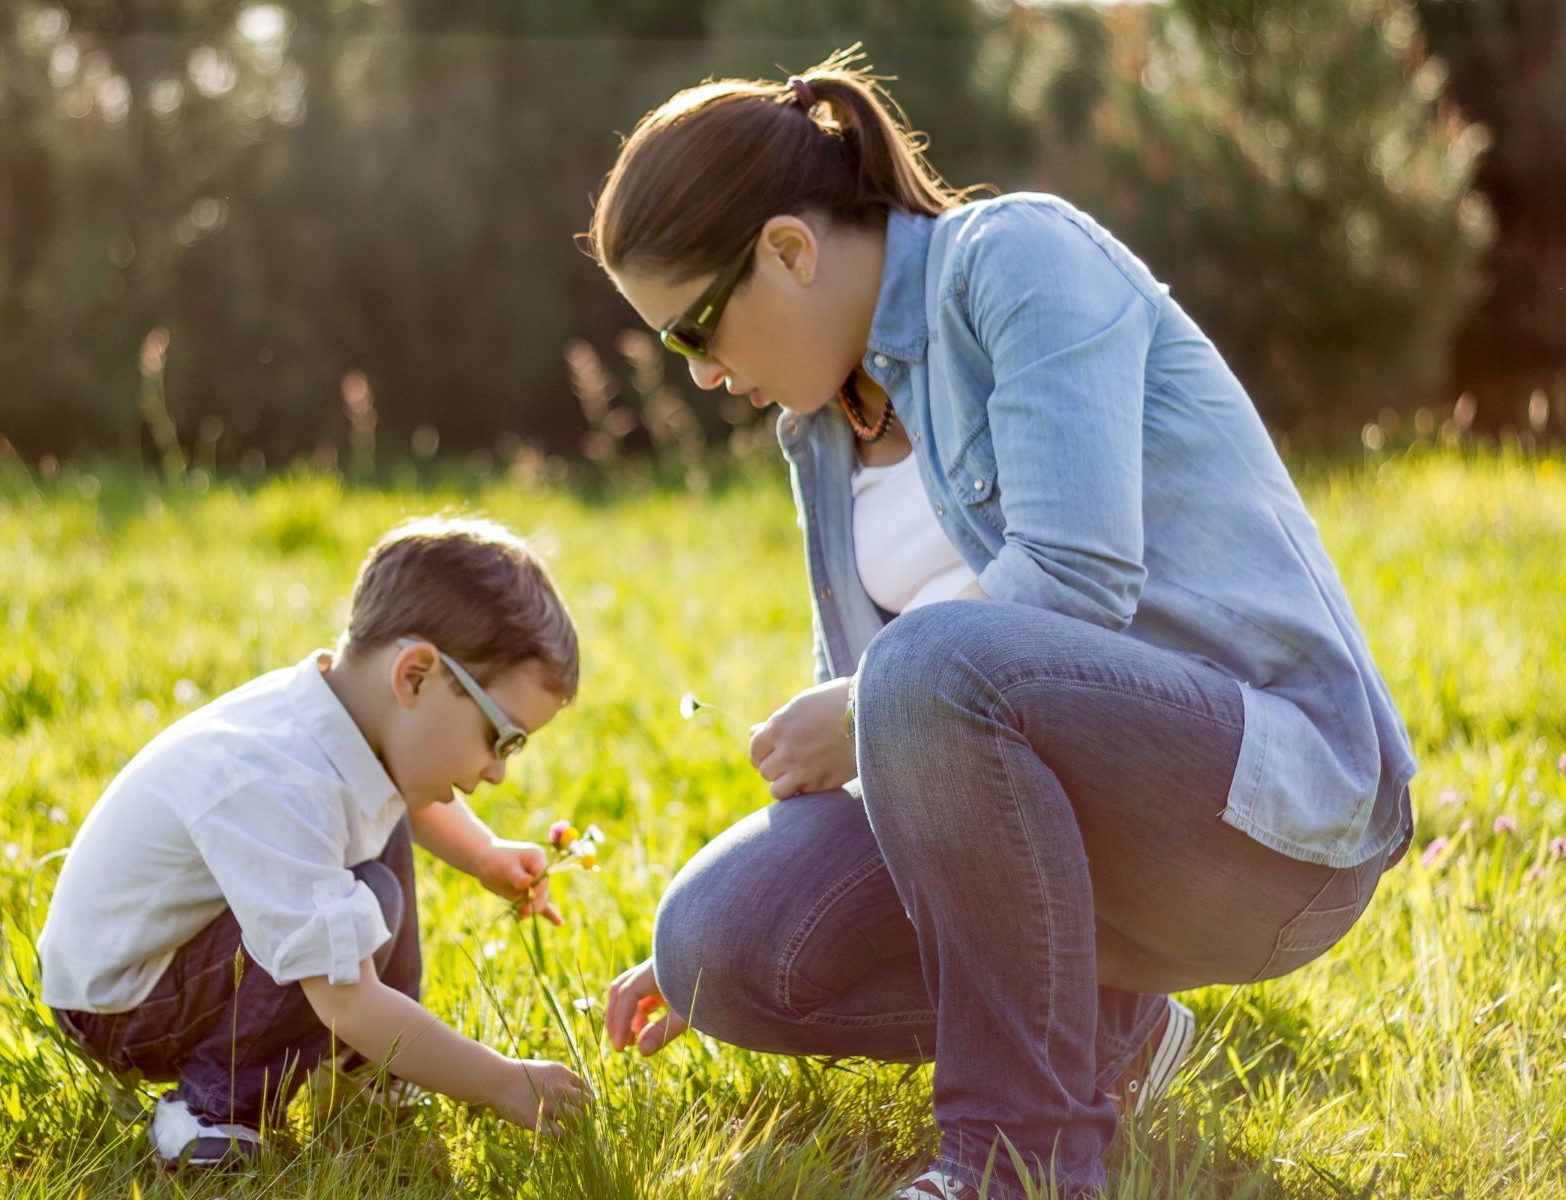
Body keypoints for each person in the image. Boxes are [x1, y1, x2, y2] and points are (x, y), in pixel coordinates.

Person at [590, 52, 1416, 1200]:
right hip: (1060, 832)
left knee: (919, 671)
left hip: (1271, 820)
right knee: (719, 945)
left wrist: (867, 699)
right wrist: (739, 923)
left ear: (789, 248)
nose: (707, 377)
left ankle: (1016, 1162)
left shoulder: (1017, 258)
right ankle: (1119, 1036)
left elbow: (1073, 578)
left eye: (694, 332)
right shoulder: (822, 435)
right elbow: (906, 752)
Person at [39, 516, 591, 1167]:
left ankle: (369, 1073)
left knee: (366, 872)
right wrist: (499, 1081)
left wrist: (483, 854)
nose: (500, 769)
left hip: (166, 962)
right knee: (338, 922)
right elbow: (344, 996)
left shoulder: (343, 720)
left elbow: (402, 804)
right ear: (415, 676)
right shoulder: (276, 776)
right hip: (123, 1002)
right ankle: (212, 1109)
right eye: (503, 738)